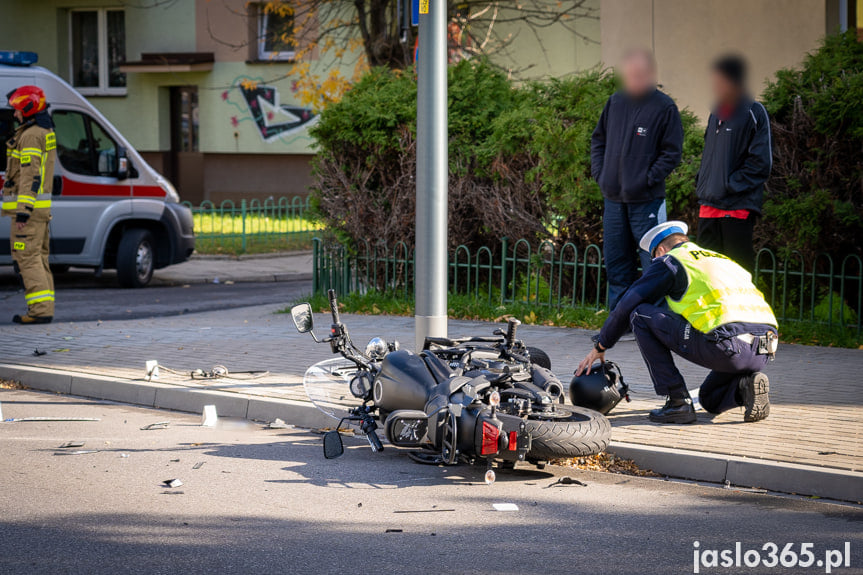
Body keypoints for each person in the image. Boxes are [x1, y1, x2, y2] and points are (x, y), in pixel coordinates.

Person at [576, 221, 778, 424]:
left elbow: (628, 303)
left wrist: (601, 344)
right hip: (763, 351)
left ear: (661, 250)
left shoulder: (671, 261)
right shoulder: (721, 260)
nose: (654, 262)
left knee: (640, 315)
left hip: (728, 346)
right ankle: (746, 386)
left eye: (654, 256)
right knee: (710, 399)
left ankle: (677, 401)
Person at [591, 48, 683, 311]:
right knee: (617, 264)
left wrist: (646, 179)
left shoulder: (664, 107)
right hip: (613, 201)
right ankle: (620, 323)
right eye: (630, 75)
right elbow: (598, 141)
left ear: (651, 74)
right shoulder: (615, 103)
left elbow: (671, 153)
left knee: (653, 265)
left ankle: (654, 322)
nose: (635, 80)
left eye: (640, 75)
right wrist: (602, 176)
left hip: (647, 201)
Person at [695, 54, 772, 274]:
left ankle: (740, 310)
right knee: (708, 273)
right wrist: (703, 184)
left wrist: (729, 185)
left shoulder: (753, 112)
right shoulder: (715, 114)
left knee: (736, 273)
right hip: (708, 206)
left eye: (720, 81)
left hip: (736, 207)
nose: (715, 86)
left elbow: (761, 163)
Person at [2, 85, 56, 324]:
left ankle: (39, 311)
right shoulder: (43, 130)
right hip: (40, 210)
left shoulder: (32, 135)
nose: (14, 115)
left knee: (28, 259)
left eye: (16, 110)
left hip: (29, 212)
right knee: (39, 259)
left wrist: (23, 213)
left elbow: (30, 176)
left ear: (27, 108)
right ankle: (44, 308)